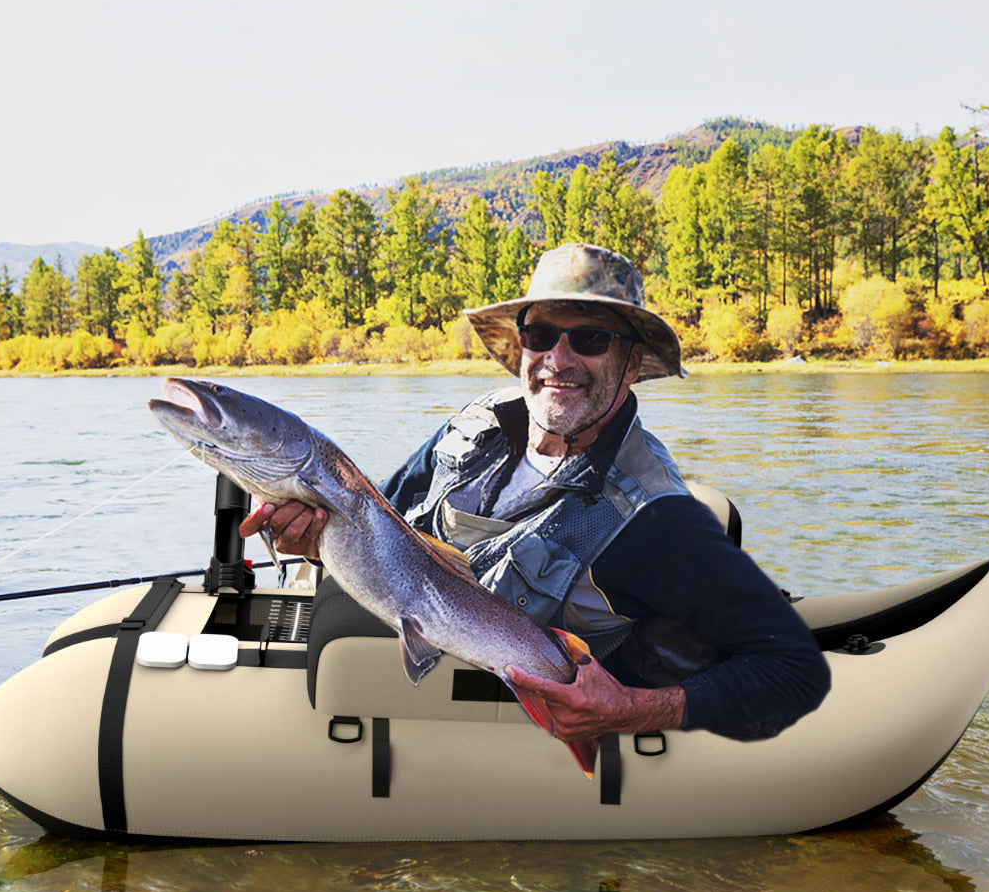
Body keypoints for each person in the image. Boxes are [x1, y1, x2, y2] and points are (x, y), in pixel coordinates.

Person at [241, 242, 829, 745]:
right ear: (521, 347)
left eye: (591, 339)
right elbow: (380, 532)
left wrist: (630, 710)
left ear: (630, 362)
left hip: (494, 721)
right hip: (392, 663)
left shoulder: (657, 517)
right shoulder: (471, 429)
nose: (558, 360)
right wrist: (313, 540)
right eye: (541, 333)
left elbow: (793, 670)